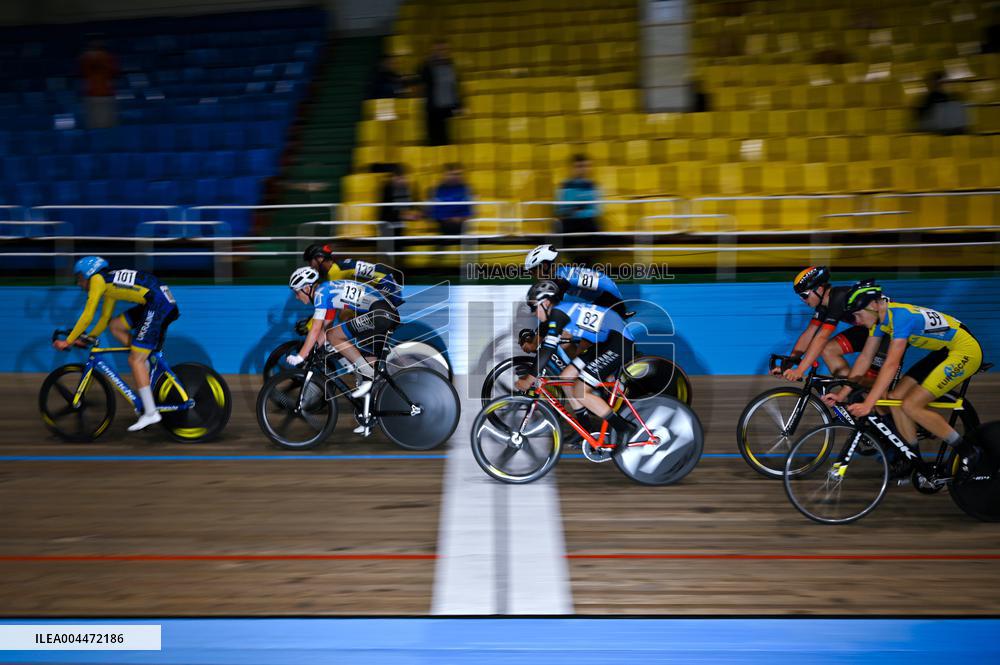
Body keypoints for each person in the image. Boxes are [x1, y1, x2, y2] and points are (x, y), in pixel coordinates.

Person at [822, 281, 985, 476]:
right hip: (943, 351)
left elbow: (890, 365)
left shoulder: (900, 317)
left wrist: (868, 404)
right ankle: (913, 459)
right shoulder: (880, 321)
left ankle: (968, 451)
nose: (855, 321)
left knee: (911, 405)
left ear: (873, 306)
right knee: (894, 400)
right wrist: (842, 394)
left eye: (857, 314)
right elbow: (865, 358)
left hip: (964, 351)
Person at [53, 256, 180, 431]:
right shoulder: (108, 282)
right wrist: (88, 337)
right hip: (157, 301)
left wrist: (68, 341)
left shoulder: (98, 280)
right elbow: (105, 318)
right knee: (116, 325)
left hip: (158, 304)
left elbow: (88, 315)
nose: (78, 283)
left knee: (135, 360)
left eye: (80, 278)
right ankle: (144, 358)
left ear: (88, 274)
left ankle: (151, 413)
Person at [516, 280, 639, 442]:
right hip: (605, 342)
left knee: (580, 390)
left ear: (545, 303)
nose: (533, 313)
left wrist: (530, 379)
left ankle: (624, 429)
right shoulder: (559, 312)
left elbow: (547, 349)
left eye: (534, 308)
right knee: (566, 376)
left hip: (618, 343)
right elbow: (544, 346)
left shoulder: (558, 314)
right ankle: (585, 430)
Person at [285, 267, 401, 416]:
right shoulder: (327, 293)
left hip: (379, 313)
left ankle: (368, 373)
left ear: (307, 288)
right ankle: (368, 417)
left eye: (297, 292)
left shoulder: (321, 293)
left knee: (336, 337)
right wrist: (314, 348)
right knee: (366, 370)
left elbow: (316, 330)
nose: (296, 297)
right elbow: (324, 331)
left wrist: (301, 356)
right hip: (383, 313)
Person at [780, 267, 887, 383]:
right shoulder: (823, 305)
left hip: (888, 332)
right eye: (800, 297)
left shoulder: (838, 297)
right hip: (869, 331)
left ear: (820, 289)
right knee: (828, 349)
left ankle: (864, 394)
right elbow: (809, 333)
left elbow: (822, 337)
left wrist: (800, 370)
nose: (803, 300)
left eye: (805, 295)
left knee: (873, 386)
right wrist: (787, 366)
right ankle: (853, 393)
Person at [524, 244, 629, 319]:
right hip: (606, 300)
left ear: (545, 266)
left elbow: (554, 305)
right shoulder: (561, 272)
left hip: (611, 302)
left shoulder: (560, 278)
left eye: (533, 270)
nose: (533, 275)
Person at [302, 243, 404, 308]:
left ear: (319, 258)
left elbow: (327, 305)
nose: (310, 266)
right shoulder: (338, 266)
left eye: (310, 262)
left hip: (385, 287)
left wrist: (311, 325)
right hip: (387, 284)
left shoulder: (335, 273)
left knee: (346, 312)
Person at [555, 155, 602, 265]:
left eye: (585, 166)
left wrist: (577, 209)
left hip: (588, 221)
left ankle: (589, 265)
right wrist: (578, 208)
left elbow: (596, 210)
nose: (582, 169)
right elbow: (560, 209)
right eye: (579, 166)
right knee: (558, 229)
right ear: (572, 168)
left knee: (598, 231)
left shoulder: (592, 186)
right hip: (570, 220)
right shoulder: (565, 186)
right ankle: (574, 263)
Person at [418, 40, 461, 146]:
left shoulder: (451, 65)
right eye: (438, 49)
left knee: (448, 139)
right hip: (434, 108)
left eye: (444, 49)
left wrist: (459, 105)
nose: (442, 52)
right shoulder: (427, 66)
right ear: (433, 51)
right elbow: (420, 78)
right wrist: (427, 63)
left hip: (449, 107)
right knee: (435, 139)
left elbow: (455, 86)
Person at [79, 38, 119, 129]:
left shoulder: (105, 57)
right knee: (99, 127)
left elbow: (114, 72)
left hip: (103, 95)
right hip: (96, 95)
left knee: (105, 126)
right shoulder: (88, 57)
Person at [429, 163, 474, 236]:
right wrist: (450, 218)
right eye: (451, 174)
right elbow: (435, 212)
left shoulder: (467, 190)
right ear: (444, 175)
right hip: (443, 226)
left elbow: (470, 209)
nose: (455, 177)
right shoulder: (436, 190)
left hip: (463, 224)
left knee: (469, 239)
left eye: (459, 174)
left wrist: (461, 217)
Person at [379, 164, 420, 236]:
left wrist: (414, 214)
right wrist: (405, 216)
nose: (404, 181)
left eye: (405, 178)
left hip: (399, 224)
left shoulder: (404, 188)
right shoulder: (387, 189)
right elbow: (386, 211)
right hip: (386, 224)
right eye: (401, 178)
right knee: (387, 246)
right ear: (394, 178)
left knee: (398, 244)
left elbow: (407, 207)